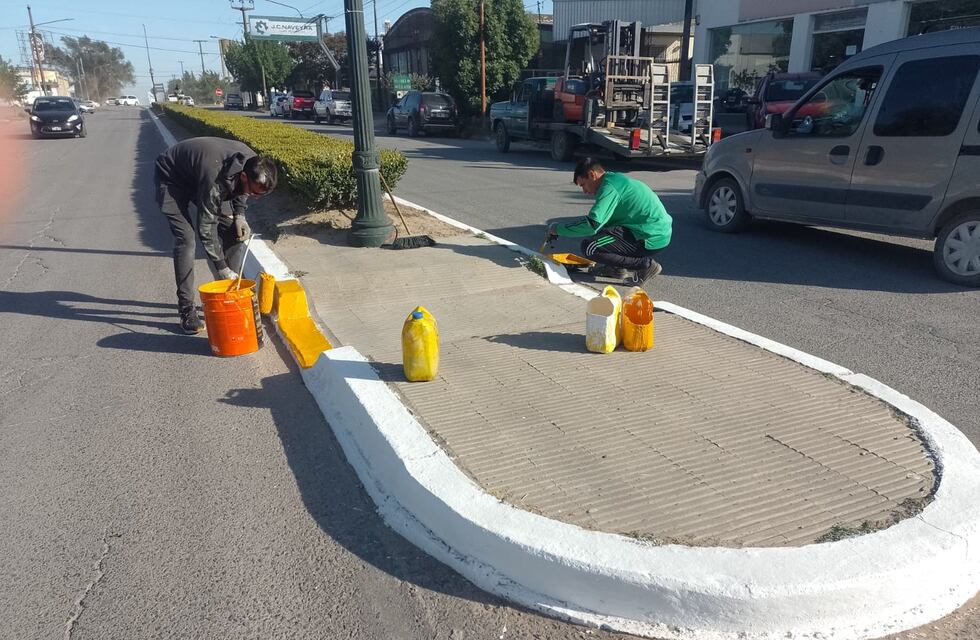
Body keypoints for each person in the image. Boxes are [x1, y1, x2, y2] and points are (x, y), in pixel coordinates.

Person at [154, 137, 278, 334]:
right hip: (172, 178)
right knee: (186, 240)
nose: (256, 198)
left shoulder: (253, 162)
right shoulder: (214, 176)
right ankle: (186, 309)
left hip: (201, 175)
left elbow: (242, 192)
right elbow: (206, 225)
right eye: (255, 193)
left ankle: (228, 292)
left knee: (232, 229)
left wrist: (240, 215)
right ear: (244, 177)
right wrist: (221, 266)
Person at [547, 157, 671, 286]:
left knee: (590, 247)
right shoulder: (613, 180)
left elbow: (591, 224)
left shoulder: (609, 188)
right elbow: (602, 224)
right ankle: (616, 269)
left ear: (592, 175)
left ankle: (645, 266)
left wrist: (557, 229)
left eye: (583, 184)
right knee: (604, 232)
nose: (584, 191)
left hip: (650, 237)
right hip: (654, 231)